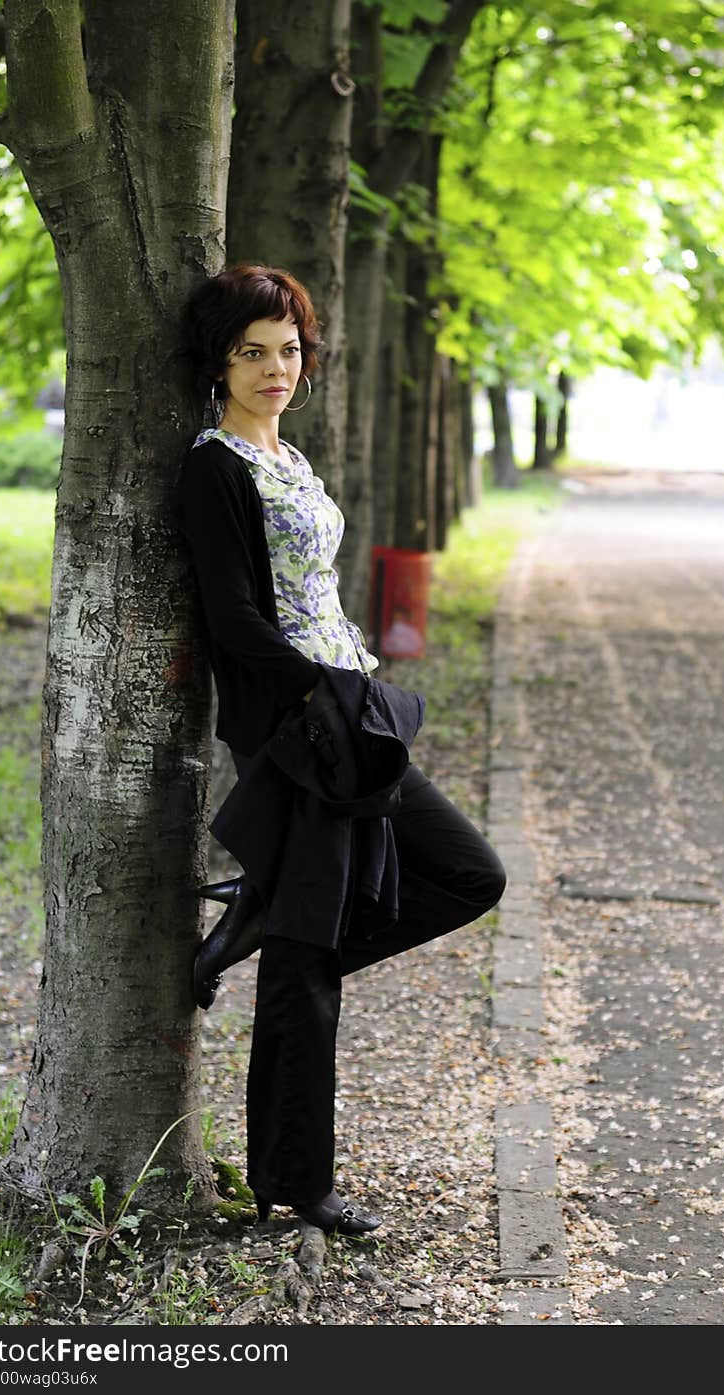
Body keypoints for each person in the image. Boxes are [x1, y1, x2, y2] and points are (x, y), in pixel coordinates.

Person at [176, 263, 506, 1238]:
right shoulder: (216, 465)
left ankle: (258, 922)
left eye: (287, 350)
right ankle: (295, 1185)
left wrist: (357, 686)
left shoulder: (289, 456)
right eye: (251, 353)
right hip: (298, 730)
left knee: (467, 874)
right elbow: (235, 621)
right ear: (219, 361)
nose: (275, 369)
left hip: (350, 709)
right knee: (308, 968)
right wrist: (324, 693)